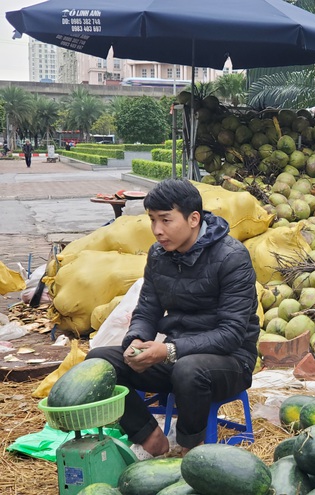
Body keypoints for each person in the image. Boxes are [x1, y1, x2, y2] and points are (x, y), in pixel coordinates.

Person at [87, 178, 260, 457]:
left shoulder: (232, 257)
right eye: (152, 220)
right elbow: (147, 311)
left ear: (193, 219)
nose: (157, 230)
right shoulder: (159, 255)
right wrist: (136, 342)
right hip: (175, 355)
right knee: (99, 361)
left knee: (188, 369)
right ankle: (148, 434)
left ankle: (191, 448)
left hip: (230, 361)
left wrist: (168, 350)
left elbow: (231, 333)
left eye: (166, 220)